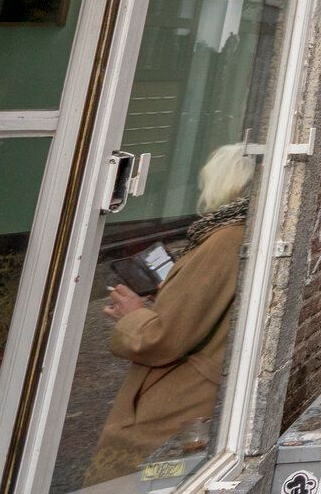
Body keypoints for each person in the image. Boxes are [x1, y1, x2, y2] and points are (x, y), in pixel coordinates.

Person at [84, 144, 255, 483]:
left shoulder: (225, 239)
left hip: (180, 395)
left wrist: (132, 315)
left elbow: (164, 338)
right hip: (200, 389)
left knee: (126, 478)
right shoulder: (236, 233)